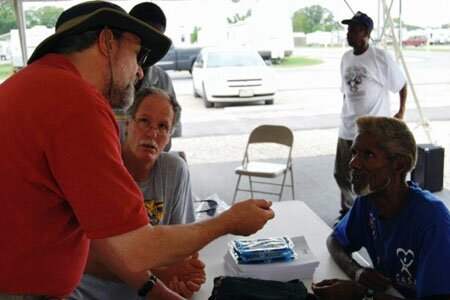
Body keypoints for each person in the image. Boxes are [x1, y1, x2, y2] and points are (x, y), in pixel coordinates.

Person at [0, 1, 274, 299]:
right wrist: (228, 222)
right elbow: (136, 248)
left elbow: (108, 236)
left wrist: (153, 289)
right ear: (107, 42)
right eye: (138, 54)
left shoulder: (35, 85)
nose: (141, 72)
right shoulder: (78, 103)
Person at [72, 87, 202, 299]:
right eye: (144, 121)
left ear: (169, 136)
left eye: (162, 126)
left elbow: (181, 246)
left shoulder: (175, 170)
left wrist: (185, 277)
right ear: (128, 124)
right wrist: (162, 275)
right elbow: (83, 257)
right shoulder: (101, 168)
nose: (152, 133)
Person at [313, 116, 450, 300]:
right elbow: (335, 241)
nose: (353, 163)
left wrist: (362, 294)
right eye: (354, 153)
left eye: (368, 155)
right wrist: (357, 271)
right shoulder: (368, 201)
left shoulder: (432, 219)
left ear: (399, 164)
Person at [334, 11, 408, 224]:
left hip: (371, 132)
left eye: (354, 30)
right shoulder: (346, 58)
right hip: (347, 127)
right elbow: (345, 92)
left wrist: (400, 112)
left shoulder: (380, 57)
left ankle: (367, 216)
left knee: (368, 176)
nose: (349, 34)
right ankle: (348, 213)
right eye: (348, 29)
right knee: (341, 173)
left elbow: (401, 84)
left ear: (366, 33)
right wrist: (344, 113)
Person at [115, 2, 181, 150]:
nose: (149, 47)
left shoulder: (162, 81)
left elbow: (167, 141)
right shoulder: (110, 76)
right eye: (143, 37)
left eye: (156, 40)